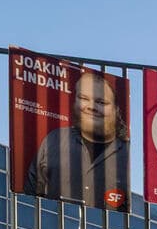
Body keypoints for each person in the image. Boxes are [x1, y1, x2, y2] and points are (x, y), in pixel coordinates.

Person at [23, 68, 129, 209]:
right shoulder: (55, 140)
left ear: (116, 110)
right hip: (55, 228)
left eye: (101, 102)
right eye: (84, 99)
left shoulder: (128, 153)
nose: (91, 107)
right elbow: (31, 193)